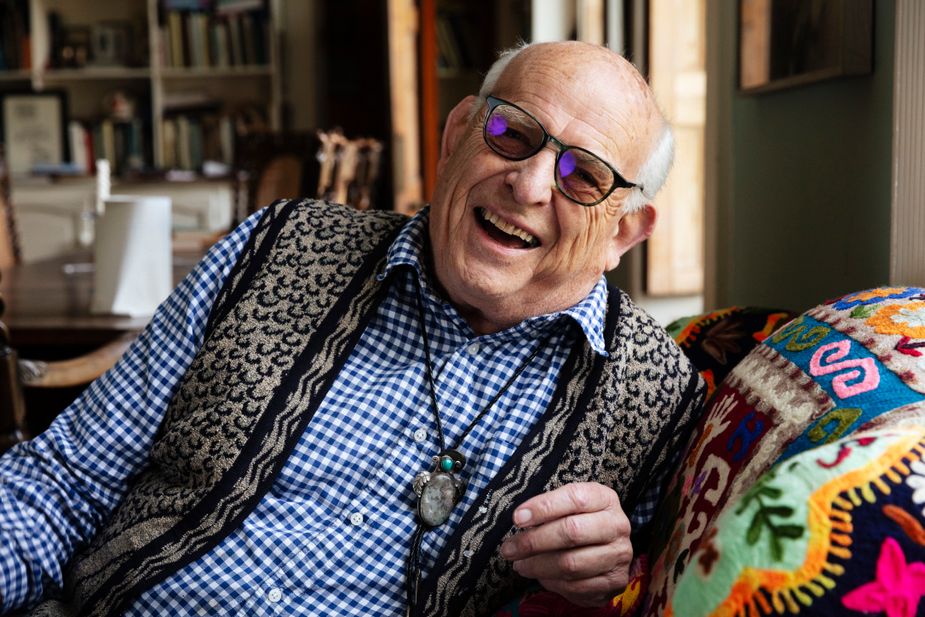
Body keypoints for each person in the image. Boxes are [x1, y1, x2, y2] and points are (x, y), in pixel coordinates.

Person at [0, 41, 703, 616]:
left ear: (625, 232)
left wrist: (614, 572)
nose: (528, 185)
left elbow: (645, 585)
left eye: (583, 176)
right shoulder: (280, 246)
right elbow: (64, 481)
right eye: (511, 134)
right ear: (457, 135)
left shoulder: (653, 395)